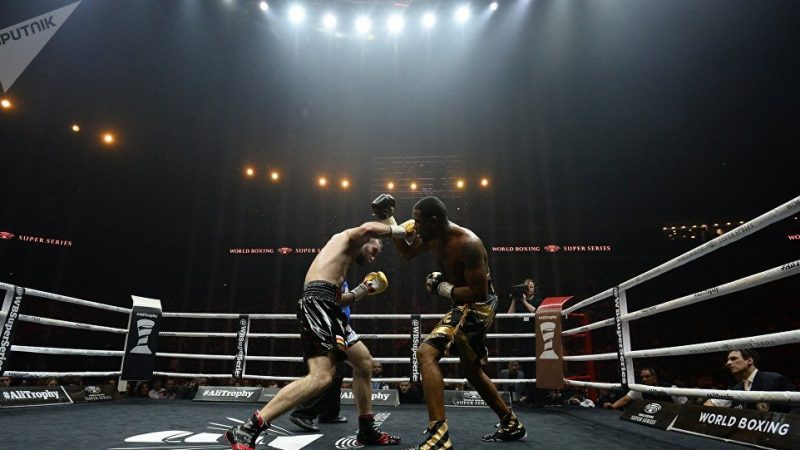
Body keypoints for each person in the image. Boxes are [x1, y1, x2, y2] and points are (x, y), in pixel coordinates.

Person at [225, 221, 404, 450]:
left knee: (364, 363)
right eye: (374, 250)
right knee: (321, 377)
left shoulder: (340, 261)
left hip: (330, 306)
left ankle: (367, 430)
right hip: (319, 304)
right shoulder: (349, 237)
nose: (373, 257)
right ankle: (249, 428)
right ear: (367, 241)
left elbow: (339, 299)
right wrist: (397, 230)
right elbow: (369, 229)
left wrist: (363, 290)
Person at [372, 194, 526, 448]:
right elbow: (407, 253)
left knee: (426, 354)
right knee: (472, 372)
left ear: (433, 221)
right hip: (462, 303)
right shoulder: (432, 237)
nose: (414, 225)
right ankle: (510, 423)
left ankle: (439, 436)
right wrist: (388, 217)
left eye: (418, 221)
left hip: (478, 306)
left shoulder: (467, 243)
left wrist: (442, 287)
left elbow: (480, 293)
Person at [289, 282, 352, 433]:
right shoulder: (333, 276)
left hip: (336, 326)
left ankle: (329, 414)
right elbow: (337, 300)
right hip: (326, 325)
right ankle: (302, 413)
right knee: (329, 373)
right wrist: (363, 290)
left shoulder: (342, 277)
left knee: (339, 372)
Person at [703, 349, 797, 413]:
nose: (728, 363)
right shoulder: (736, 389)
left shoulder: (775, 379)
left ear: (749, 361)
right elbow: (709, 405)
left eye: (733, 359)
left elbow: (797, 407)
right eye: (728, 360)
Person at [603, 367, 687, 410]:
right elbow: (625, 399)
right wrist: (613, 406)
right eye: (642, 377)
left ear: (654, 378)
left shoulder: (671, 389)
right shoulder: (641, 389)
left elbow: (686, 404)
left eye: (647, 377)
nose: (644, 379)